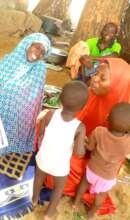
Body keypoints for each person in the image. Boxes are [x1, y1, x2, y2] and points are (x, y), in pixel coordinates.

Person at [44, 58, 130, 215]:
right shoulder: (92, 95)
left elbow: (100, 152)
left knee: (62, 162)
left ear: (118, 86)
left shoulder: (124, 117)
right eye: (96, 73)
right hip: (86, 146)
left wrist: (81, 143)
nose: (94, 79)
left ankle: (71, 194)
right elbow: (76, 118)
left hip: (95, 160)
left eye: (102, 78)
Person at [0, 33, 51, 162]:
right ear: (28, 44)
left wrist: (10, 95)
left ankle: (5, 138)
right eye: (36, 47)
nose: (38, 53)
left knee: (9, 101)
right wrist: (1, 91)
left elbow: (34, 96)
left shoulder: (40, 68)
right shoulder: (8, 59)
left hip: (19, 109)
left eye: (42, 52)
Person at [33, 81, 89, 220]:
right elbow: (78, 152)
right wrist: (83, 144)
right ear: (82, 107)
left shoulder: (50, 114)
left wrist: (42, 142)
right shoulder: (79, 127)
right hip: (60, 166)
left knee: (38, 178)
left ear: (59, 99)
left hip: (43, 158)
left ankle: (34, 199)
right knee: (58, 189)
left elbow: (41, 131)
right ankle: (49, 213)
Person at [74, 102, 130, 220]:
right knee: (100, 197)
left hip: (92, 169)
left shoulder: (99, 131)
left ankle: (75, 202)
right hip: (108, 177)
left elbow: (90, 148)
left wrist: (84, 141)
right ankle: (91, 214)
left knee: (84, 184)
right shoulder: (128, 142)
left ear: (107, 117)